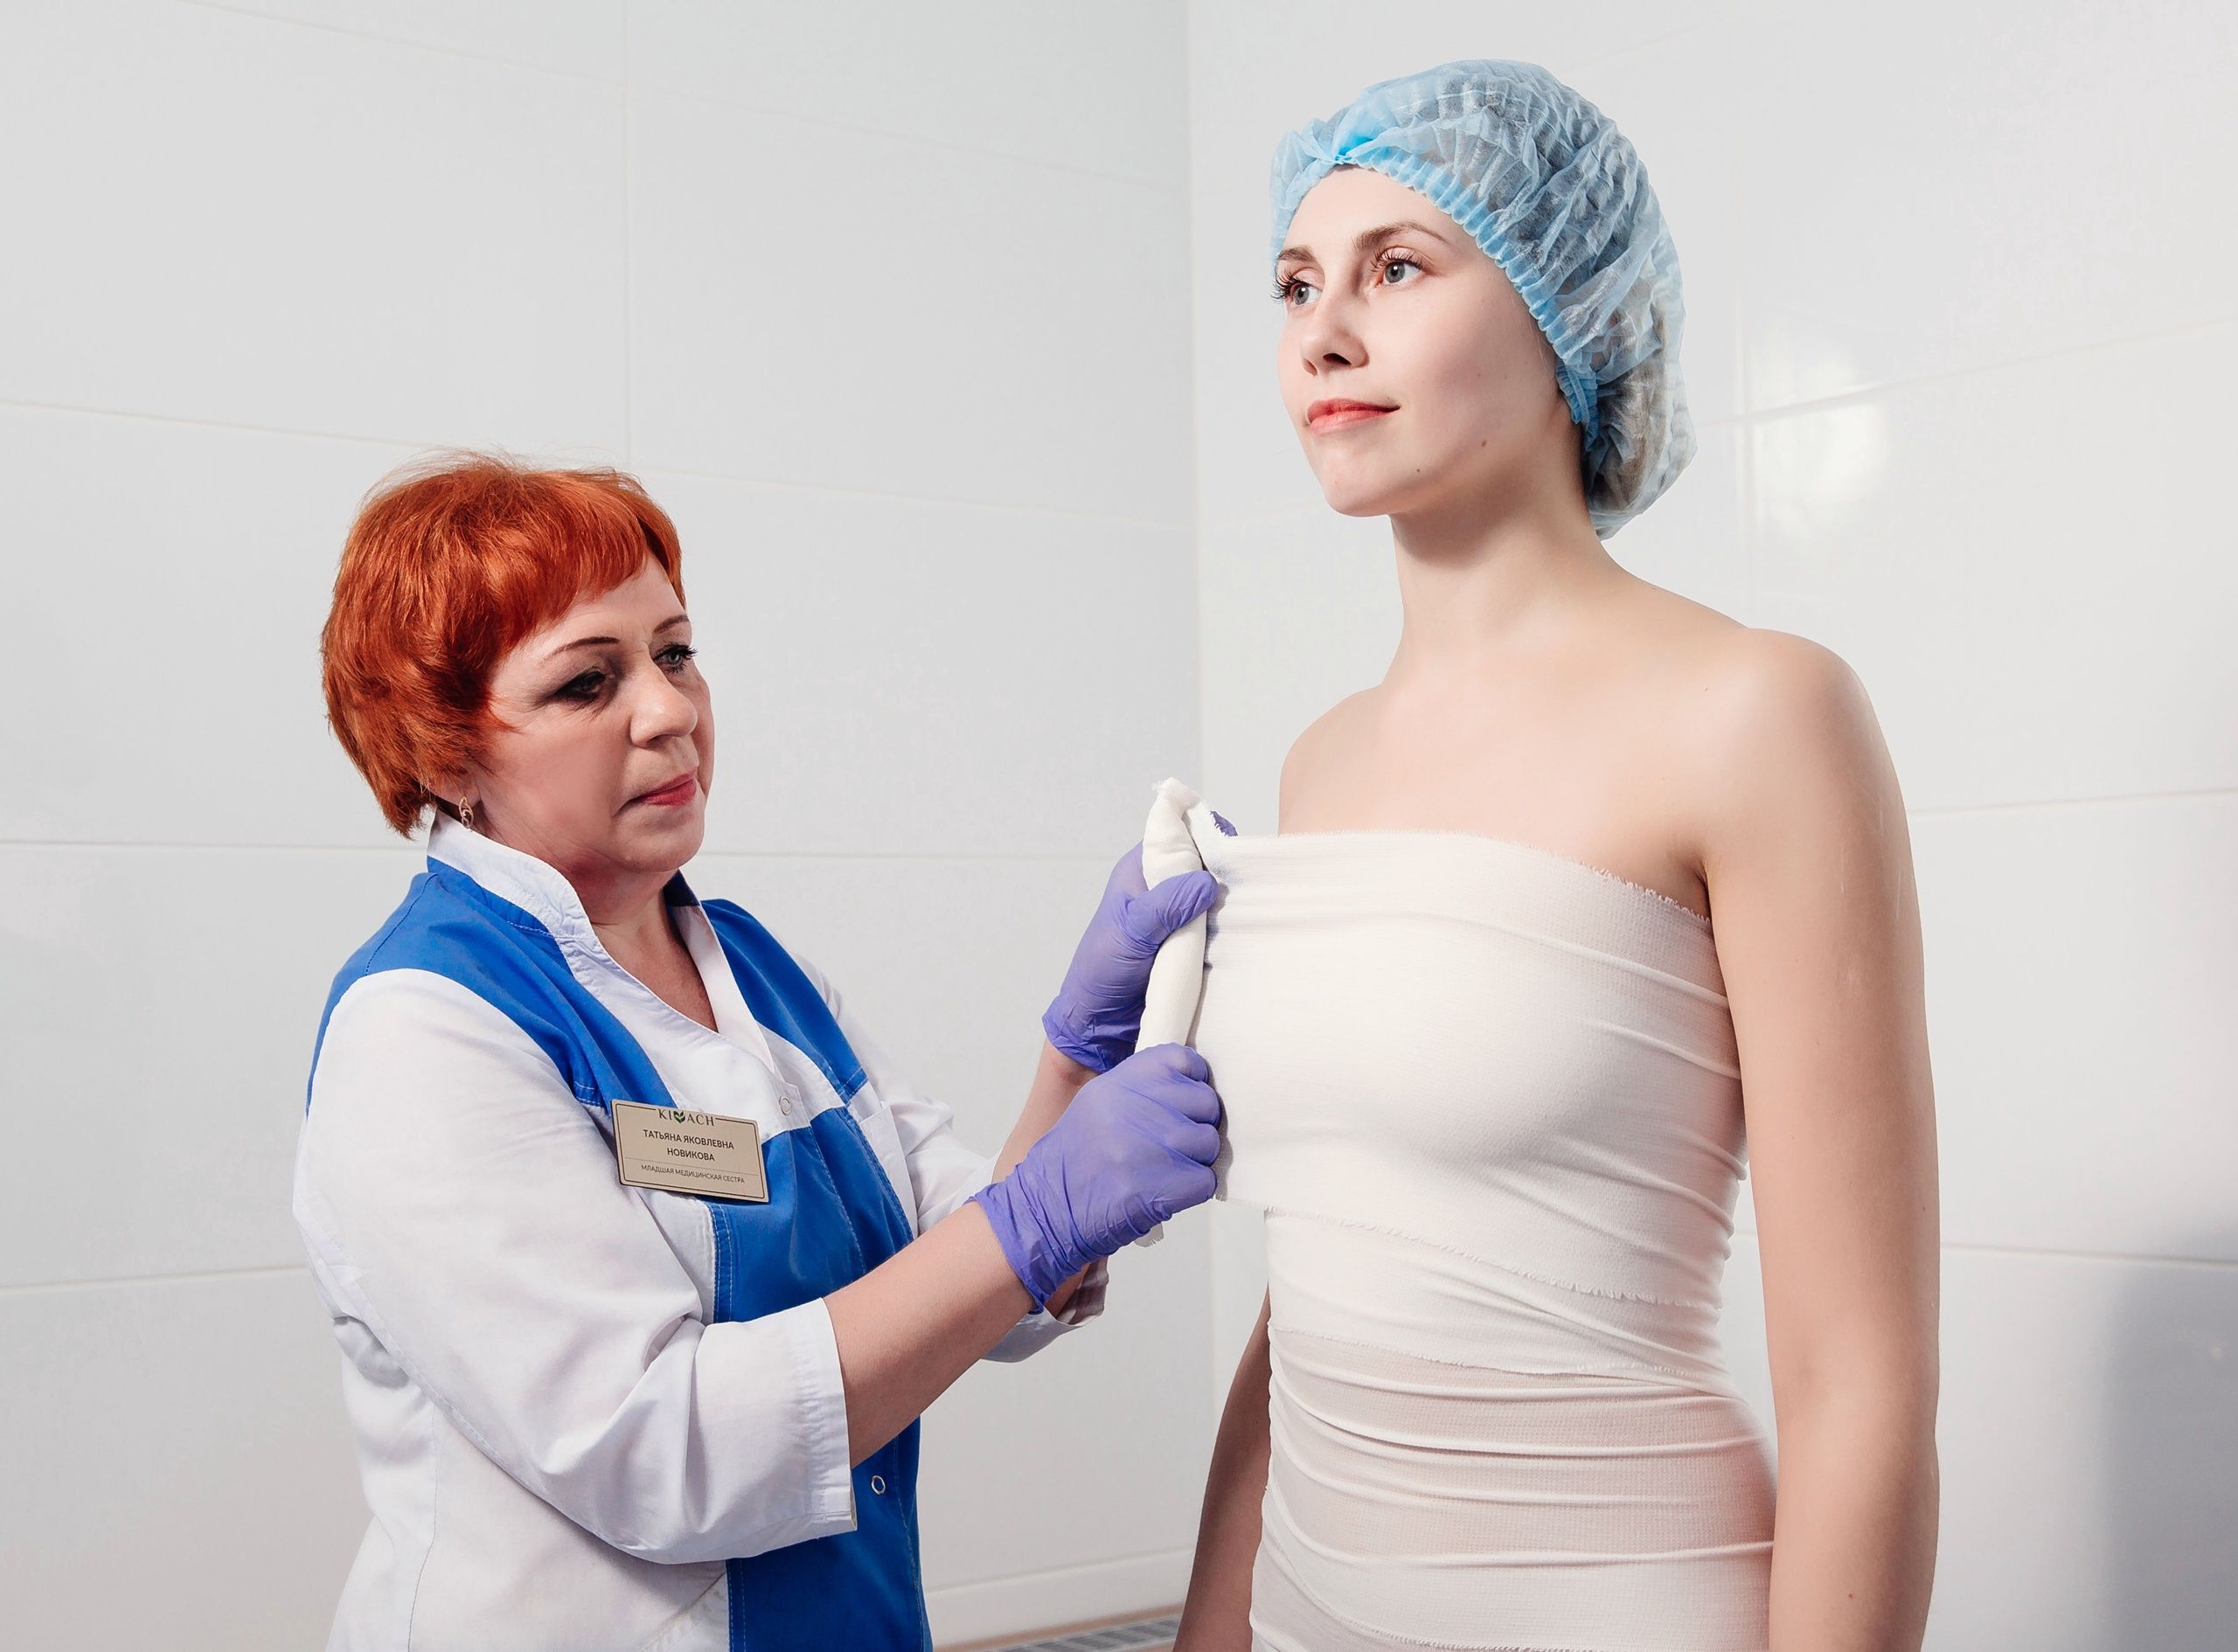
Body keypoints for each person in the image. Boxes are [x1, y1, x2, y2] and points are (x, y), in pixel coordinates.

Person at [1172, 61, 1940, 1651]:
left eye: (1398, 267)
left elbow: (1858, 1384)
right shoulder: (1322, 759)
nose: (1323, 332)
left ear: (1565, 310)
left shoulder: (1756, 713)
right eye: (1297, 283)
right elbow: (1316, 1293)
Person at [295, 455, 1225, 1651]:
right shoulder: (424, 1028)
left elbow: (971, 1271)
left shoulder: (753, 972)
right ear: (444, 752)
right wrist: (1036, 1220)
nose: (671, 710)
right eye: (588, 681)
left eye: (675, 653)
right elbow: (661, 1452)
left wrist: (1076, 1055)